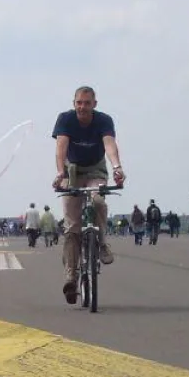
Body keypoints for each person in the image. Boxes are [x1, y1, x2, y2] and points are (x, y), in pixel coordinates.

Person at [52, 85, 125, 304]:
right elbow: (60, 148)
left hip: (95, 169)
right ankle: (71, 277)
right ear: (73, 103)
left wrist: (117, 168)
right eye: (79, 103)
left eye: (87, 103)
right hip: (71, 170)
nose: (82, 107)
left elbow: (109, 145)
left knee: (98, 200)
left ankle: (101, 242)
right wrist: (60, 173)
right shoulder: (65, 119)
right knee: (72, 226)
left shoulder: (103, 120)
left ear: (95, 104)